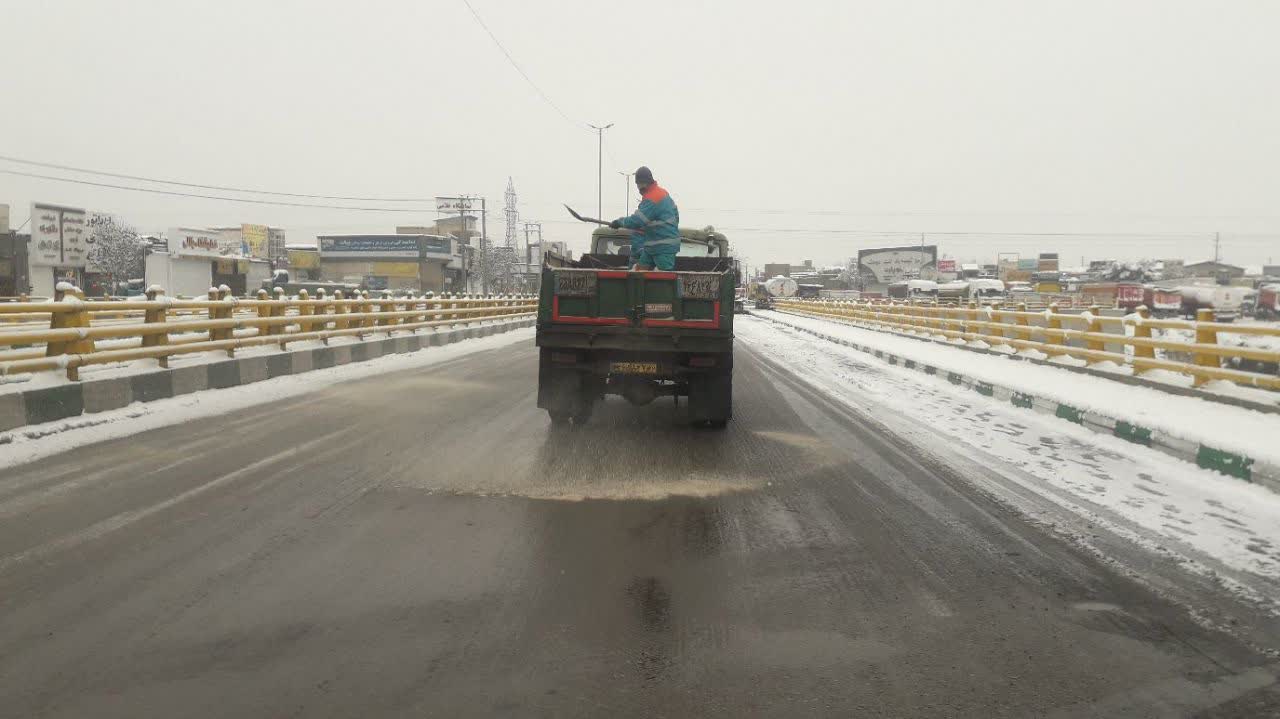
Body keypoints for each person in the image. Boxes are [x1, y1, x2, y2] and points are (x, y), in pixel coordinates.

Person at [609, 166, 680, 271]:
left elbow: (637, 221)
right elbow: (676, 216)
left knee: (664, 279)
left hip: (664, 247)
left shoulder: (652, 198)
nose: (638, 188)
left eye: (638, 184)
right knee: (639, 271)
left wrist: (619, 222)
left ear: (642, 183)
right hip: (652, 247)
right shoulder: (662, 193)